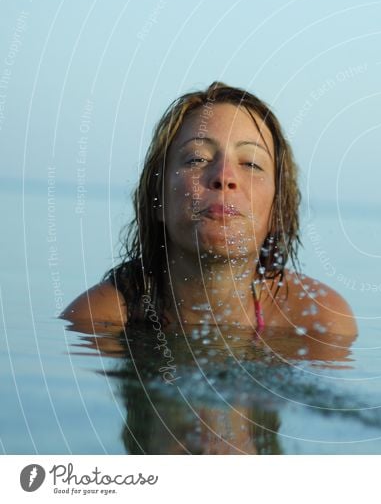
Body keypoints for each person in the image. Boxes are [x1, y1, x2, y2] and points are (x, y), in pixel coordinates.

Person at [61, 82, 356, 340]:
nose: (224, 176)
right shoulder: (98, 319)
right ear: (157, 201)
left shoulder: (320, 323)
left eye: (251, 163)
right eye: (196, 159)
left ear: (278, 211)